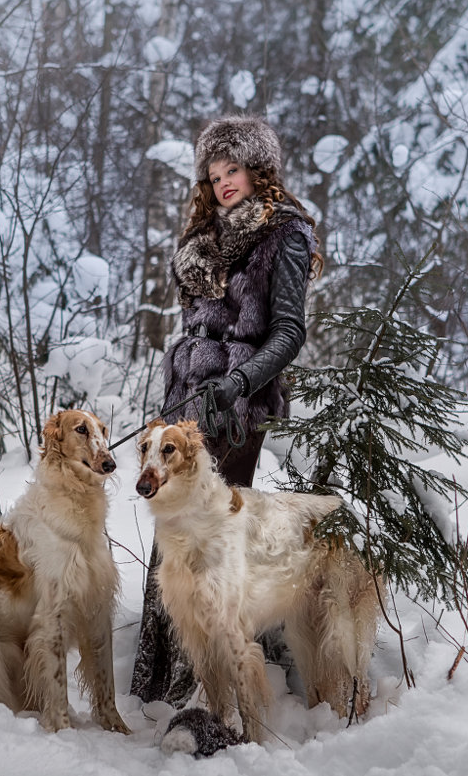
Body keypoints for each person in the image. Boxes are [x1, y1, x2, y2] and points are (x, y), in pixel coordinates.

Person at [131, 114, 322, 706]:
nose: (222, 183)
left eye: (231, 169)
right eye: (213, 175)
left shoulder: (284, 233)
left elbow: (289, 333)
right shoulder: (206, 242)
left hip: (236, 409)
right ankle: (156, 683)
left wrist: (237, 382)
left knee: (210, 540)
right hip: (183, 407)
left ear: (257, 168)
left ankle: (207, 693)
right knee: (171, 538)